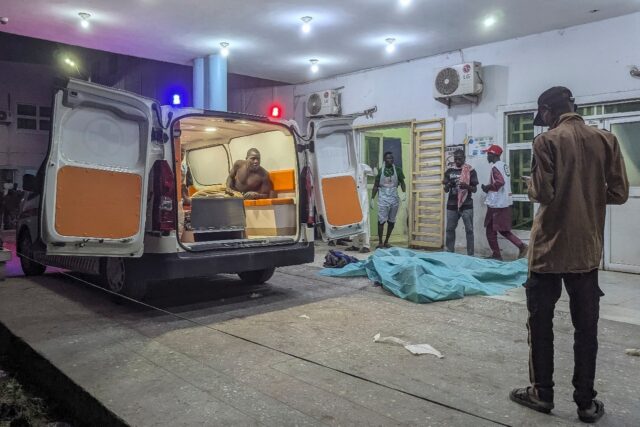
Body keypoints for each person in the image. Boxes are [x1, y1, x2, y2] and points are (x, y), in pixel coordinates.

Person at [509, 86, 629, 423]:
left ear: (547, 111)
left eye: (542, 116)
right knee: (586, 330)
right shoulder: (606, 140)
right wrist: (587, 193)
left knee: (540, 324)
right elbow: (618, 193)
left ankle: (541, 394)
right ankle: (586, 404)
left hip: (548, 250)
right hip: (586, 252)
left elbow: (543, 192)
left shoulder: (546, 141)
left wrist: (530, 183)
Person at [480, 145, 528, 259]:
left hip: (497, 203)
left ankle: (502, 253)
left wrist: (488, 187)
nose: (487, 156)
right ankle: (519, 246)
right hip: (505, 202)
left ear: (494, 155)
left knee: (490, 230)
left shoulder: (495, 167)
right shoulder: (504, 166)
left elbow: (499, 182)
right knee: (501, 230)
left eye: (488, 154)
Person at [442, 149, 478, 256]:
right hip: (452, 205)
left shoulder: (471, 170)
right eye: (455, 158)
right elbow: (445, 189)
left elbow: (475, 189)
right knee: (449, 229)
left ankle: (470, 255)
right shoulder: (449, 171)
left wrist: (466, 186)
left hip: (466, 205)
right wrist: (449, 185)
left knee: (469, 230)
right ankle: (450, 252)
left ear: (464, 158)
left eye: (459, 158)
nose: (457, 160)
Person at [371, 152, 406, 249]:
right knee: (381, 220)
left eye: (391, 158)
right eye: (387, 158)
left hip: (394, 198)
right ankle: (380, 242)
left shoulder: (398, 170)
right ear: (384, 160)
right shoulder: (380, 170)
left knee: (391, 221)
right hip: (383, 198)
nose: (390, 160)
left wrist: (404, 193)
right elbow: (376, 185)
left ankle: (386, 241)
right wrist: (372, 198)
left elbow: (402, 183)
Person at [346, 163, 374, 253]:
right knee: (353, 221)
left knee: (364, 220)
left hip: (362, 197)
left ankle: (366, 245)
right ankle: (355, 245)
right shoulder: (348, 166)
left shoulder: (363, 166)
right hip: (352, 196)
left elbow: (372, 172)